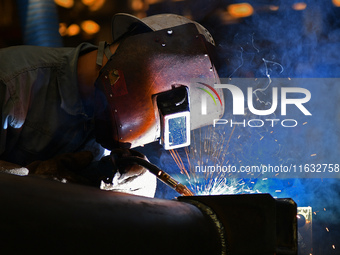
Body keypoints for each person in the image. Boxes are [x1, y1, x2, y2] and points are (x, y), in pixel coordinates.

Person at [0, 13, 224, 197]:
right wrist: (34, 181)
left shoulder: (109, 115)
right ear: (137, 61)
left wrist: (135, 188)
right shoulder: (11, 80)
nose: (143, 141)